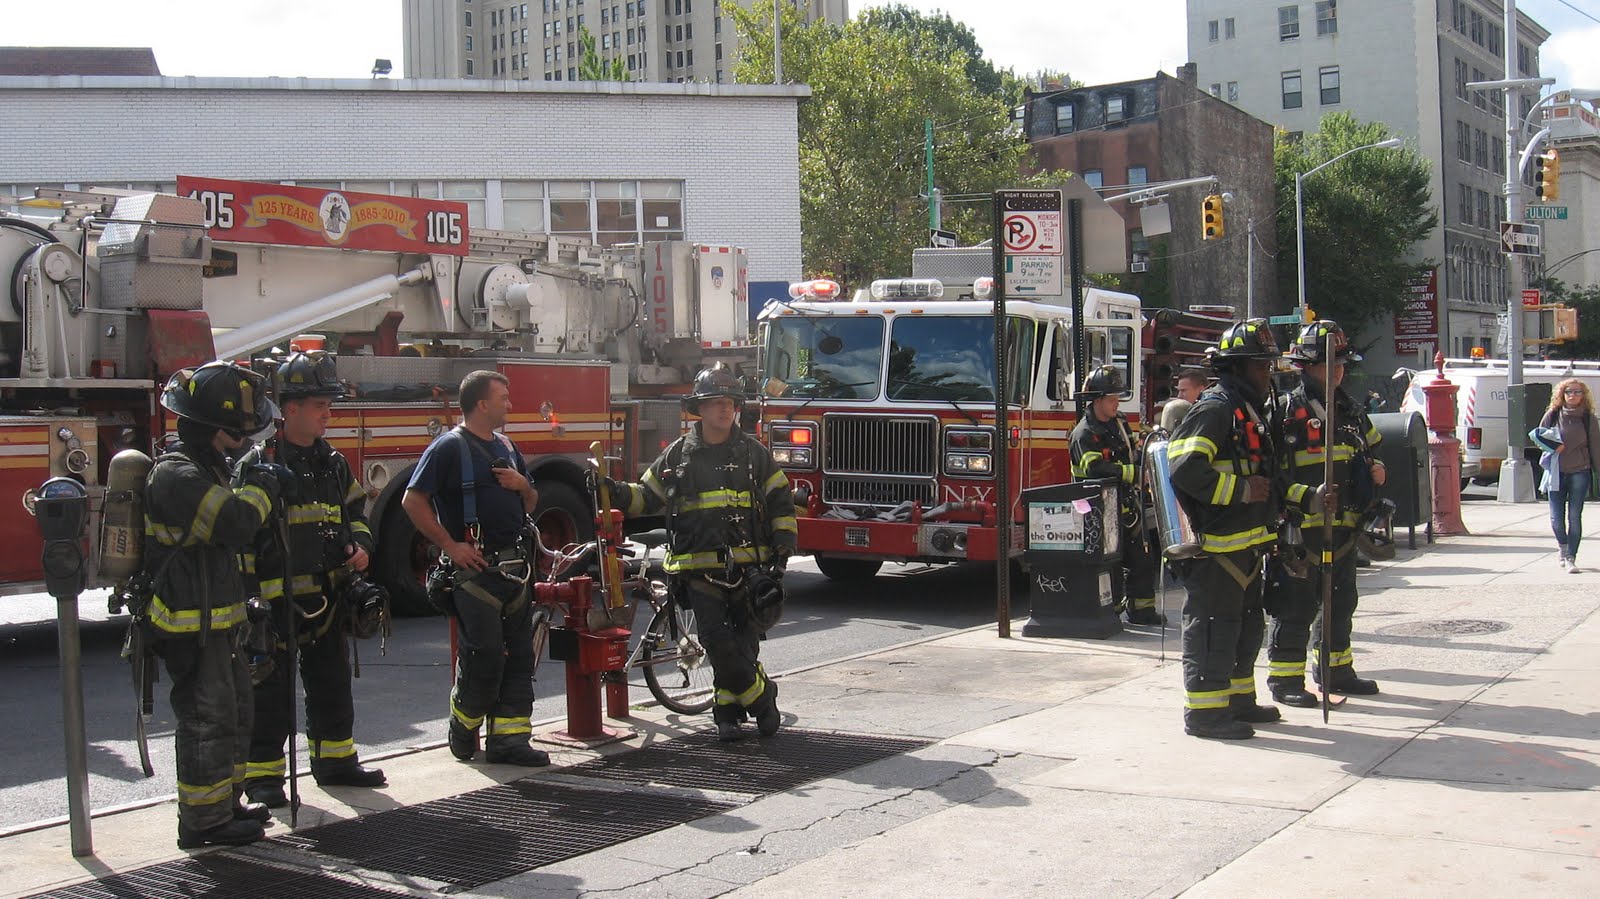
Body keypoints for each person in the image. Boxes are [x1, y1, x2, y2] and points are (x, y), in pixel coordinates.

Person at [604, 365, 796, 741]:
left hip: (749, 569)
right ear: (700, 409)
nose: (725, 409)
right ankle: (762, 698)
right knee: (716, 640)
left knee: (744, 646)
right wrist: (615, 491)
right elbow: (646, 497)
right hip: (697, 569)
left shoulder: (754, 454)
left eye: (730, 403)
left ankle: (726, 713)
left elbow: (780, 500)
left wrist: (783, 549)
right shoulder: (679, 455)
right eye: (716, 402)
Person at [237, 353, 386, 808]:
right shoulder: (259, 465)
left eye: (328, 405)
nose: (328, 414)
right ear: (291, 408)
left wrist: (361, 546)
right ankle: (264, 779)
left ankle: (336, 763)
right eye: (320, 405)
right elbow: (241, 535)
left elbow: (355, 513)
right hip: (275, 604)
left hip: (328, 598)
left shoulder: (333, 463)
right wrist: (249, 603)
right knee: (270, 694)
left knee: (332, 685)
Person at [144, 361, 283, 847]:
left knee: (235, 713)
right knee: (207, 720)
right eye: (237, 430)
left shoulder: (207, 467)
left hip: (217, 619)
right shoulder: (177, 475)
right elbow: (236, 523)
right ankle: (202, 823)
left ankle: (226, 803)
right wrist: (262, 488)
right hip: (189, 624)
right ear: (213, 426)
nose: (242, 439)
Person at [1167, 319, 1308, 740]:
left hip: (1246, 548)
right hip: (1216, 549)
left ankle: (1238, 700)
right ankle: (1206, 714)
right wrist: (1242, 491)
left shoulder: (1249, 410)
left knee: (1245, 627)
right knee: (1214, 628)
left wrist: (1307, 498)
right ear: (1238, 367)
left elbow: (1269, 477)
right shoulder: (1215, 409)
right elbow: (1185, 469)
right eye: (1261, 366)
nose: (1267, 375)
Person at [402, 370, 550, 767]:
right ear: (482, 404)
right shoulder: (448, 448)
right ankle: (463, 724)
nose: (510, 404)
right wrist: (451, 546)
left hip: (515, 573)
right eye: (504, 398)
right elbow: (412, 501)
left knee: (520, 659)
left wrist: (522, 485)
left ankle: (509, 742)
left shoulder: (507, 446)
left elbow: (532, 502)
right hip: (475, 576)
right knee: (484, 656)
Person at [1264, 321, 1385, 706]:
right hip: (1299, 532)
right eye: (1328, 364)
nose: (1337, 371)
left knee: (1341, 602)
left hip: (1344, 530)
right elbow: (1268, 473)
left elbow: (1370, 451)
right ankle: (1286, 680)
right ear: (1307, 366)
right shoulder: (1285, 411)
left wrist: (1376, 470)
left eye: (1342, 364)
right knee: (1296, 606)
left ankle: (1336, 671)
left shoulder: (1351, 410)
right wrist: (1305, 498)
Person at [1070, 364, 1163, 625]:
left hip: (1126, 505)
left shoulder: (1120, 423)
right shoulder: (1084, 433)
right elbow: (1095, 469)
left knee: (1143, 560)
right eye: (1112, 399)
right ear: (1097, 400)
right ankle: (1109, 612)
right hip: (1097, 511)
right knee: (1109, 566)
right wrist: (1134, 473)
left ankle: (1142, 611)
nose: (1116, 403)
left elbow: (1133, 452)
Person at [1536, 378, 1600, 572]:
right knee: (1556, 518)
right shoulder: (1553, 415)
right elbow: (1538, 436)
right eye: (1569, 392)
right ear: (1562, 394)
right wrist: (1554, 446)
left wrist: (1597, 472)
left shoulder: (1588, 418)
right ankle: (1562, 547)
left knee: (1574, 516)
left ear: (1583, 396)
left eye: (1577, 392)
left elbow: (1595, 447)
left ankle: (1571, 556)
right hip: (1556, 471)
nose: (1573, 395)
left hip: (1580, 470)